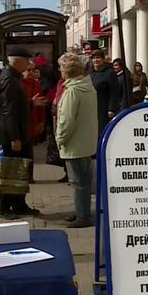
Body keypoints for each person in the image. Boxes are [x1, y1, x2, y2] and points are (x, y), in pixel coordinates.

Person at [0, 47, 45, 219]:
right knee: (11, 172)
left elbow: (17, 105)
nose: (30, 63)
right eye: (27, 60)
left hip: (20, 133)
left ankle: (19, 204)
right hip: (12, 136)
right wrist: (14, 137)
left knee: (21, 172)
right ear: (16, 61)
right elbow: (8, 111)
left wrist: (31, 104)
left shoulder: (14, 77)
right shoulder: (8, 79)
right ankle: (4, 208)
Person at [55, 53, 98, 228]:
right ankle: (81, 211)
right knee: (83, 181)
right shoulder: (87, 87)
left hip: (74, 143)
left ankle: (83, 216)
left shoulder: (72, 91)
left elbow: (67, 119)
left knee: (78, 182)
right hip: (86, 141)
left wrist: (60, 138)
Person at [87, 50, 120, 136]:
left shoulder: (109, 73)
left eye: (98, 58)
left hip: (103, 107)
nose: (95, 60)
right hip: (91, 106)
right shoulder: (90, 72)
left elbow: (114, 91)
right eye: (94, 58)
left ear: (103, 59)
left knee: (101, 130)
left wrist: (111, 108)